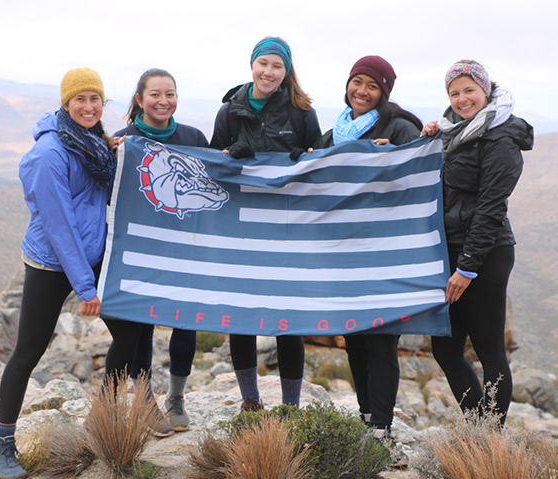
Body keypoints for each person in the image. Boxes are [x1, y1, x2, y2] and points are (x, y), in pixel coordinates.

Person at [0, 68, 141, 479]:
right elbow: (59, 227)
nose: (89, 107)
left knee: (129, 333)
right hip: (51, 264)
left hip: (91, 256)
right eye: (80, 100)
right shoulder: (50, 153)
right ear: (65, 103)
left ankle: (101, 421)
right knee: (28, 352)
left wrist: (114, 149)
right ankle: (2, 445)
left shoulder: (92, 142)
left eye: (96, 99)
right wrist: (85, 287)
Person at [210, 36, 321, 411]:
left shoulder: (301, 111)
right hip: (241, 227)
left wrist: (299, 158)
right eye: (264, 64)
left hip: (286, 229)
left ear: (286, 71)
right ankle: (250, 402)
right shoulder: (229, 110)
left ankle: (290, 407)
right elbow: (211, 167)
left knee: (287, 318)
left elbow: (317, 165)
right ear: (252, 64)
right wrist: (231, 156)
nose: (269, 72)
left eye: (277, 66)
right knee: (241, 316)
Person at [315, 56, 422, 438]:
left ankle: (382, 427)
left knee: (380, 341)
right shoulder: (333, 135)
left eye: (372, 86)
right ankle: (365, 418)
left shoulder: (401, 128)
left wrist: (392, 157)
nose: (362, 91)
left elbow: (421, 179)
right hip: (343, 257)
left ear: (384, 93)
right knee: (354, 340)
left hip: (384, 256)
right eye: (357, 82)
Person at [422, 60, 533, 425]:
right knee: (446, 348)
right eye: (454, 93)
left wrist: (466, 267)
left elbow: (490, 208)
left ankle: (489, 437)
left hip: (486, 252)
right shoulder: (453, 132)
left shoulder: (501, 137)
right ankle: (479, 428)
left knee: (488, 350)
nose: (462, 98)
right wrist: (427, 139)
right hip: (451, 247)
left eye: (469, 90)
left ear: (486, 90)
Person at [114, 68, 209, 436]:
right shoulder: (124, 140)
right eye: (155, 94)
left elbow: (216, 178)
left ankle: (176, 397)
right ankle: (145, 401)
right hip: (140, 250)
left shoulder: (193, 137)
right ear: (140, 99)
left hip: (186, 247)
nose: (164, 101)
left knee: (185, 321)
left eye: (170, 94)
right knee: (142, 325)